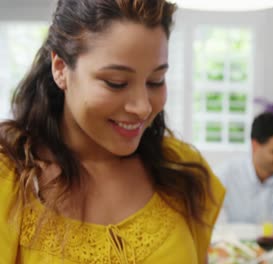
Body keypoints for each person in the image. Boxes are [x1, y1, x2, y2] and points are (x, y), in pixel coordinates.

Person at [0, 1, 225, 263]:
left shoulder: (182, 169)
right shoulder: (11, 177)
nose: (142, 108)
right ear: (61, 69)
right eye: (116, 83)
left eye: (156, 81)